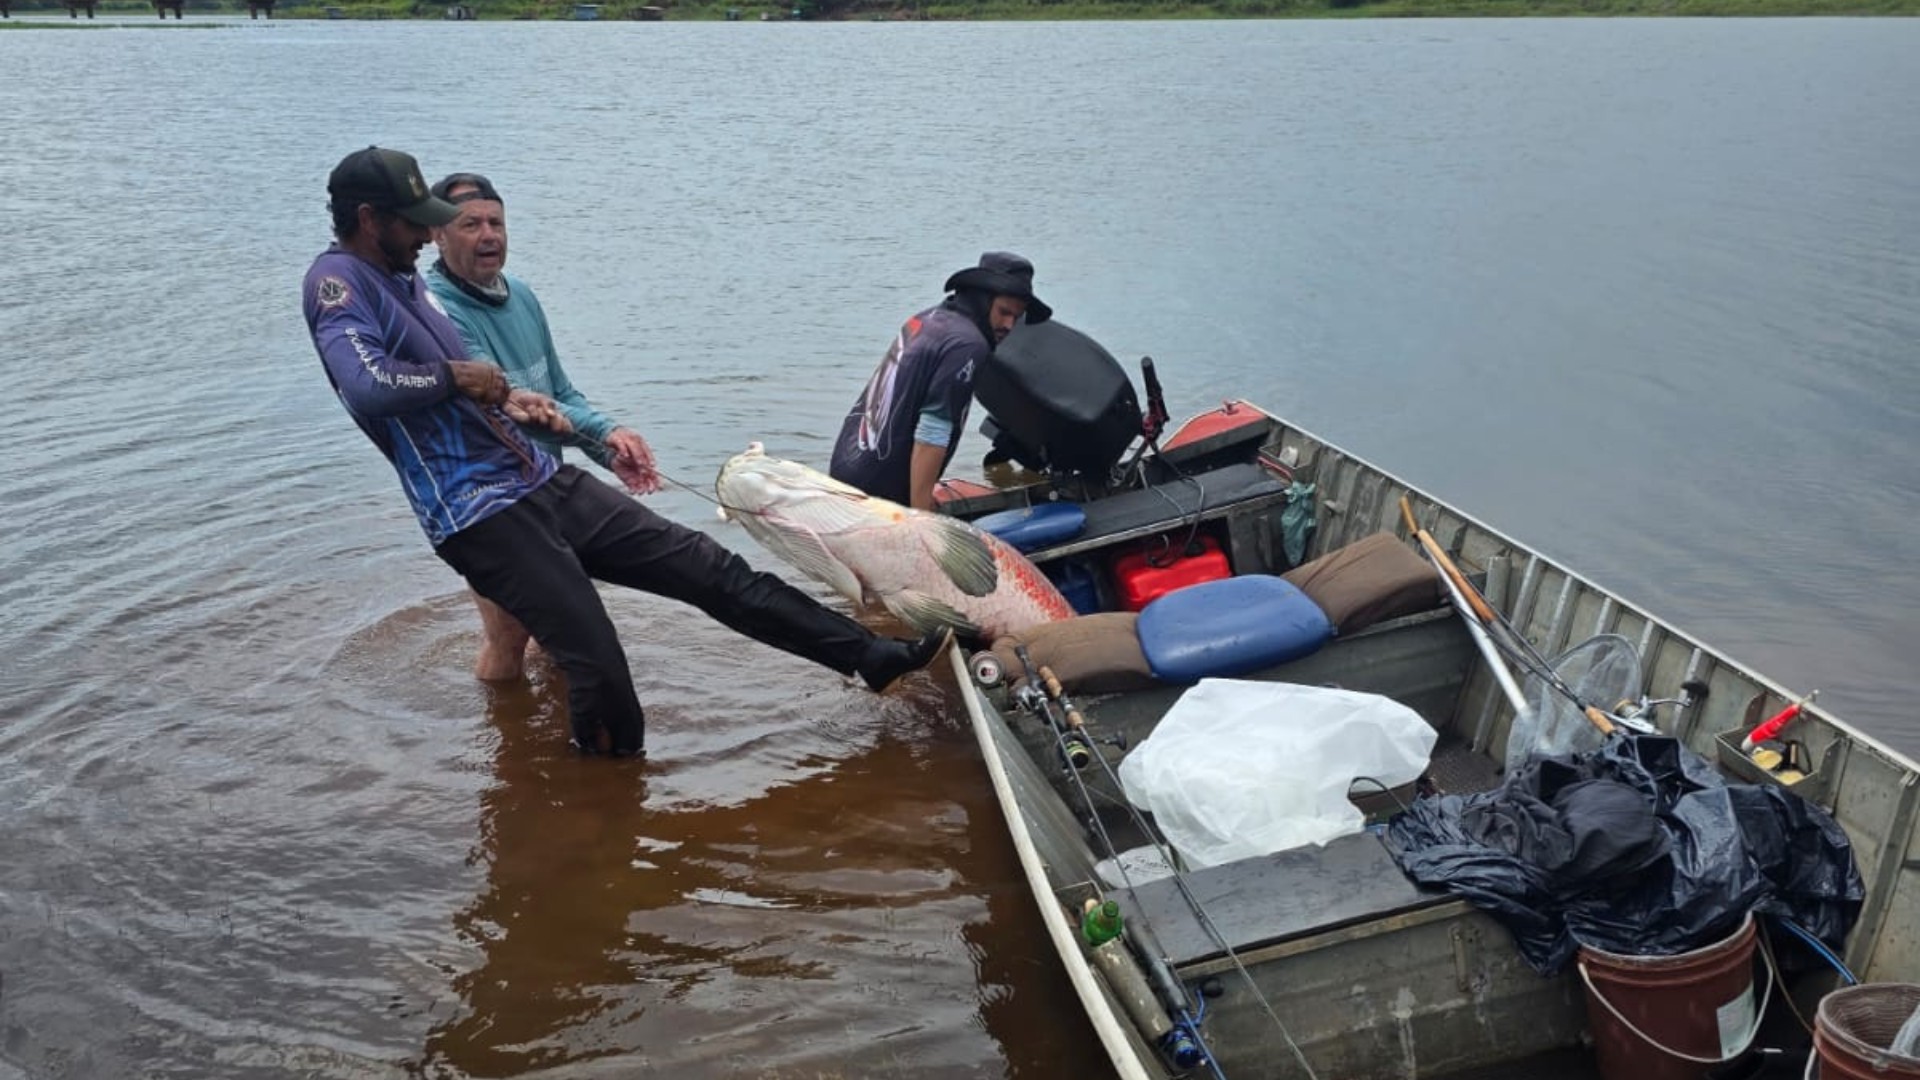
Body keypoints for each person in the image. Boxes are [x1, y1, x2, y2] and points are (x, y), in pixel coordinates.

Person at [301, 146, 949, 758]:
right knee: (595, 658)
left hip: (537, 479)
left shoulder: (405, 279)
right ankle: (603, 819)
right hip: (478, 512)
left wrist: (513, 402)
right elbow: (367, 383)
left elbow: (468, 389)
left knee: (709, 567)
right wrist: (459, 378)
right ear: (369, 219)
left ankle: (870, 655)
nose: (424, 235)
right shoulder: (338, 284)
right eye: (418, 224)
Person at [423, 170, 654, 680]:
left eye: (496, 223)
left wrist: (608, 439)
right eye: (470, 225)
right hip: (488, 506)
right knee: (509, 635)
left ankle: (550, 733)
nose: (489, 236)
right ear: (436, 234)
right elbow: (509, 404)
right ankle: (504, 748)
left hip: (549, 489)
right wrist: (595, 434)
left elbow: (559, 394)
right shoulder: (436, 311)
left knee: (564, 633)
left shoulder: (521, 295)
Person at [829, 253, 1051, 511]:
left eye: (1017, 316)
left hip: (846, 471)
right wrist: (922, 514)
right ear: (982, 298)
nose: (1009, 325)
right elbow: (932, 433)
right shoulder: (969, 344)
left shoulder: (927, 319)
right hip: (878, 493)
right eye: (1004, 312)